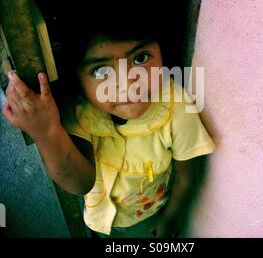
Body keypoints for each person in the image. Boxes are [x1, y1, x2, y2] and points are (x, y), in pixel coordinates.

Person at [2, 24, 215, 238]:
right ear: (78, 78)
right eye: (101, 71)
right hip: (98, 221)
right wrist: (46, 133)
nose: (128, 82)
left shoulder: (176, 105)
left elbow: (188, 176)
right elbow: (80, 182)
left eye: (140, 59)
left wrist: (172, 218)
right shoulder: (79, 111)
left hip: (146, 221)